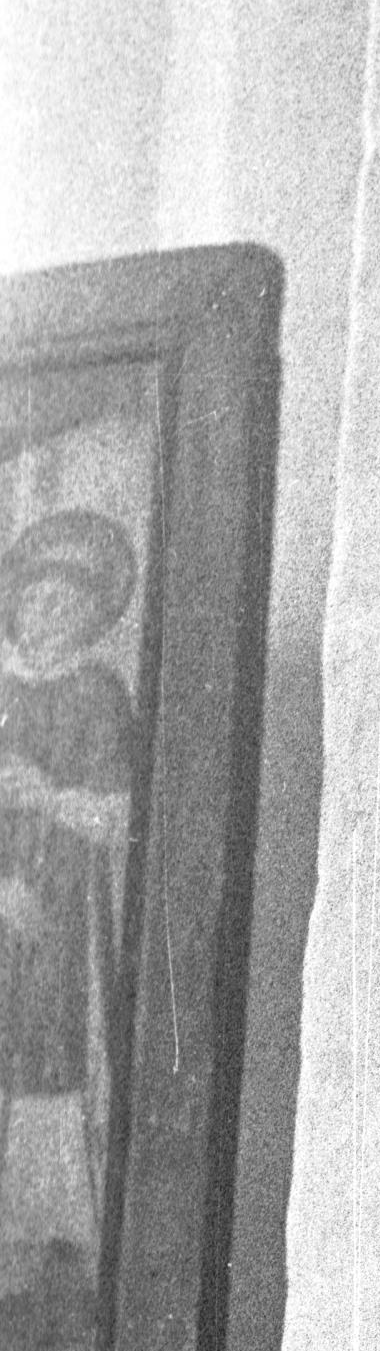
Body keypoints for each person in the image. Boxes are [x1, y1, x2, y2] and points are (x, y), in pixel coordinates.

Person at [0, 506, 140, 1271]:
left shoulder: (97, 693)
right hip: (6, 899)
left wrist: (46, 795)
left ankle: (55, 1237)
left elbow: (122, 816)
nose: (48, 614)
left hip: (68, 907)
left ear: (90, 616)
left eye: (65, 602)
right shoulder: (3, 691)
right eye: (36, 600)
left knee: (55, 1050)